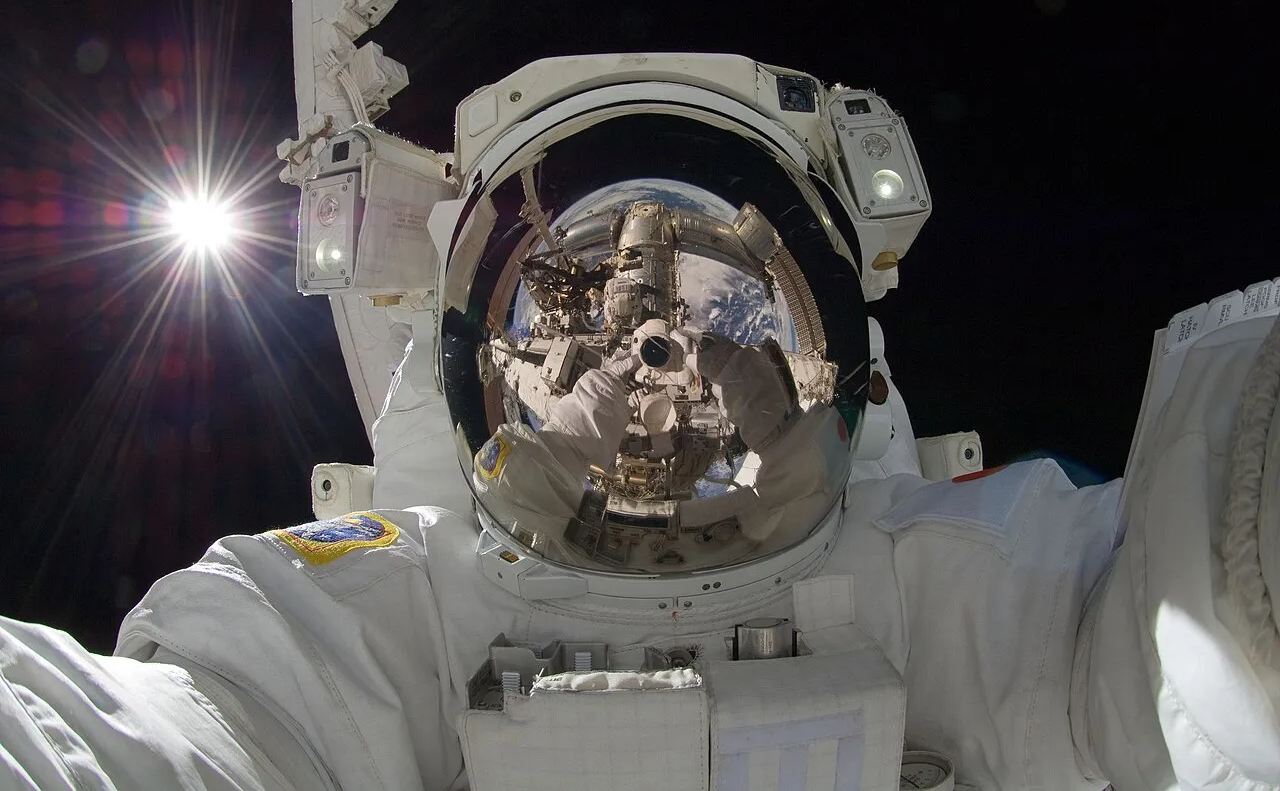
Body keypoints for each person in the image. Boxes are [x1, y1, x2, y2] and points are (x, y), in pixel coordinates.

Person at [2, 279, 1278, 790]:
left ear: (830, 373)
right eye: (604, 339)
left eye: (707, 323)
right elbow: (180, 739)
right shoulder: (389, 599)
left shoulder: (949, 572)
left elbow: (1185, 629)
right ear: (483, 379)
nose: (654, 365)